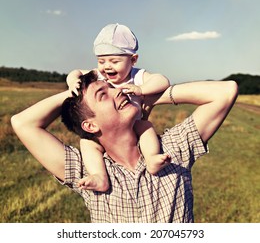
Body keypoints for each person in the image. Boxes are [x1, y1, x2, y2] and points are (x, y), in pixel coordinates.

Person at [11, 69, 238, 223]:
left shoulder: (171, 148)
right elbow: (22, 123)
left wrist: (150, 97)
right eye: (103, 94)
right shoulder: (88, 171)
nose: (117, 90)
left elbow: (225, 91)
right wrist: (72, 93)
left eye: (111, 86)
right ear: (89, 125)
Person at [66, 23, 171, 191]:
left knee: (145, 127)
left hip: (134, 125)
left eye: (114, 61)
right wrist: (73, 82)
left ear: (133, 60)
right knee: (87, 142)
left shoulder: (137, 76)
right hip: (110, 132)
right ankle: (99, 177)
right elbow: (76, 72)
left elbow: (162, 80)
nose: (107, 66)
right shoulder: (99, 76)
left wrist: (142, 89)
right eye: (101, 61)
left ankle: (151, 158)